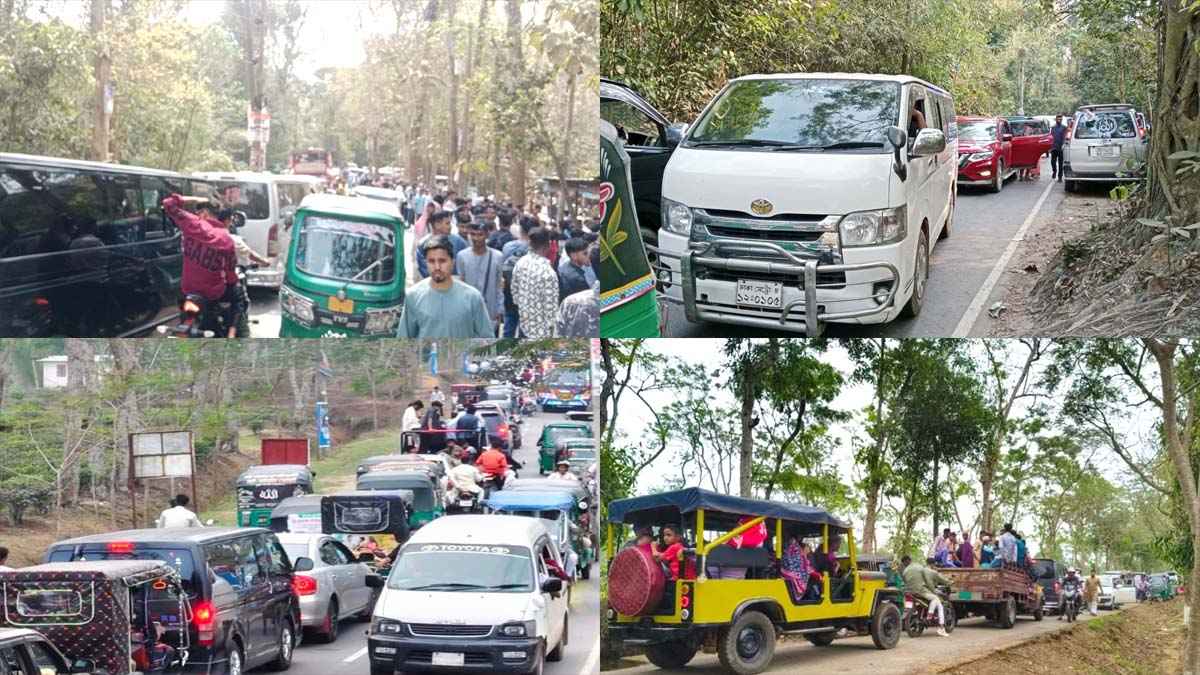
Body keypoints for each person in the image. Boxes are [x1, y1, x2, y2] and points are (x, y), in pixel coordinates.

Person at [162, 194, 240, 333]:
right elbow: (230, 272)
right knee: (236, 299)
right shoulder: (226, 239)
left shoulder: (192, 223)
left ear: (205, 213)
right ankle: (231, 332)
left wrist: (196, 198)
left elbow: (168, 203)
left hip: (188, 289)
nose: (197, 213)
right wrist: (232, 283)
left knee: (185, 319)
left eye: (199, 211)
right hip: (212, 293)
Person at [397, 236, 493, 338]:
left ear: (452, 262)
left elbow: (487, 339)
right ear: (426, 263)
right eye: (431, 261)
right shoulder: (413, 296)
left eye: (442, 261)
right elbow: (404, 339)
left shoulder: (472, 297)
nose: (437, 267)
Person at [511, 227, 560, 338]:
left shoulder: (521, 262)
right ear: (548, 245)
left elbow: (515, 293)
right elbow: (551, 310)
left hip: (524, 325)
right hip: (541, 333)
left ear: (530, 243)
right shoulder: (548, 273)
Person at [456, 222, 504, 333]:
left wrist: (500, 309)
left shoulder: (497, 256)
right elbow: (461, 283)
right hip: (469, 309)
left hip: (490, 309)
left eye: (480, 234)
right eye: (473, 234)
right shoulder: (462, 256)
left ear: (487, 235)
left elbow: (499, 285)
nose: (476, 238)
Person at [900, 555, 952, 637]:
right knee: (936, 599)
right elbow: (928, 581)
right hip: (920, 591)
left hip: (909, 591)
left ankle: (936, 623)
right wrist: (933, 591)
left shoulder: (905, 571)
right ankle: (931, 619)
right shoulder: (921, 567)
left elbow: (905, 581)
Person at [416, 211, 468, 279]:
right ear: (437, 225)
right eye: (447, 223)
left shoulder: (459, 242)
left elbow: (464, 267)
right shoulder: (422, 244)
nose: (450, 226)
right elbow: (424, 270)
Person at [780, 536, 815, 602]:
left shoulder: (804, 556)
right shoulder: (796, 554)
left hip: (793, 574)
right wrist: (811, 572)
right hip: (793, 576)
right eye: (808, 547)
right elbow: (799, 567)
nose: (809, 549)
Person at [1050, 114, 1067, 181]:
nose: (1059, 120)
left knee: (1060, 163)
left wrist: (1063, 144)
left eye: (1060, 119)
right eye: (1058, 119)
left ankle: (1060, 177)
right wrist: (1050, 147)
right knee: (1053, 162)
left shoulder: (1064, 127)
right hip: (1054, 147)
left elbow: (1065, 137)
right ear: (1056, 119)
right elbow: (1051, 137)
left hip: (1061, 147)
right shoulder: (1053, 127)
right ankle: (1054, 171)